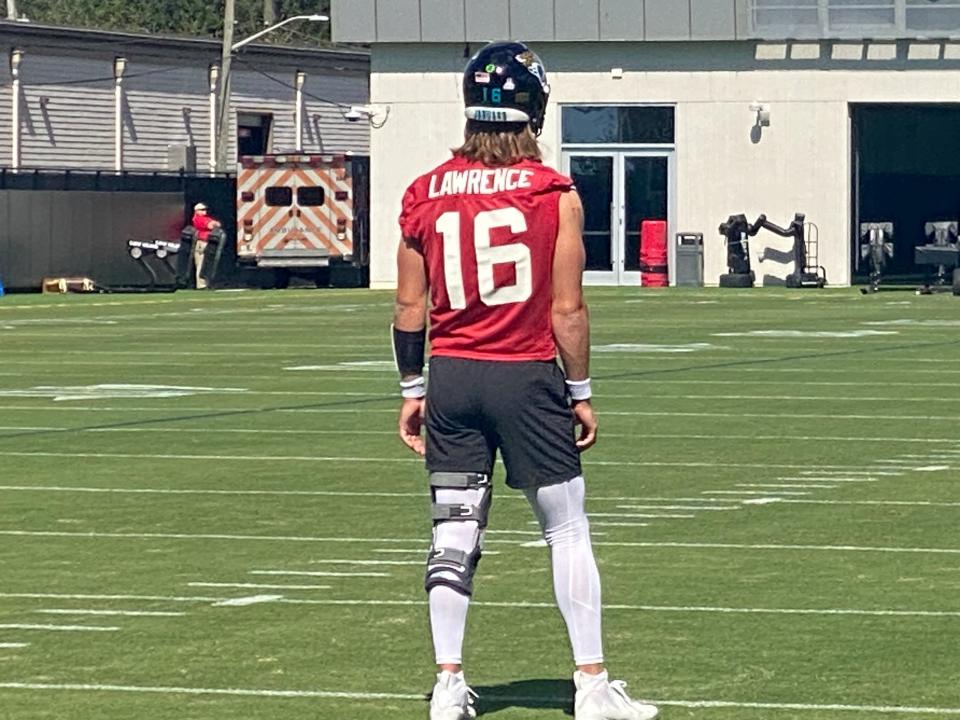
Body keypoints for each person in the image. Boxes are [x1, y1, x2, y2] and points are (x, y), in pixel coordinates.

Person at [392, 41, 659, 720]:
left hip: (452, 376)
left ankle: (448, 684)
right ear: (534, 106)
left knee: (453, 533)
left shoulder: (424, 192)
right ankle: (592, 684)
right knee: (566, 529)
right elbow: (567, 309)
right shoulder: (553, 192)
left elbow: (407, 307)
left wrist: (411, 388)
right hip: (527, 376)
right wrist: (581, 391)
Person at [190, 202, 221, 289]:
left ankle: (205, 283)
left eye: (205, 209)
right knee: (200, 263)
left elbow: (218, 224)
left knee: (206, 263)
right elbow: (211, 226)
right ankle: (201, 285)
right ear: (197, 211)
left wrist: (214, 223)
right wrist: (213, 223)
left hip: (207, 242)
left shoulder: (205, 218)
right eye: (202, 210)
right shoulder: (198, 219)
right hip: (201, 242)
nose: (205, 211)